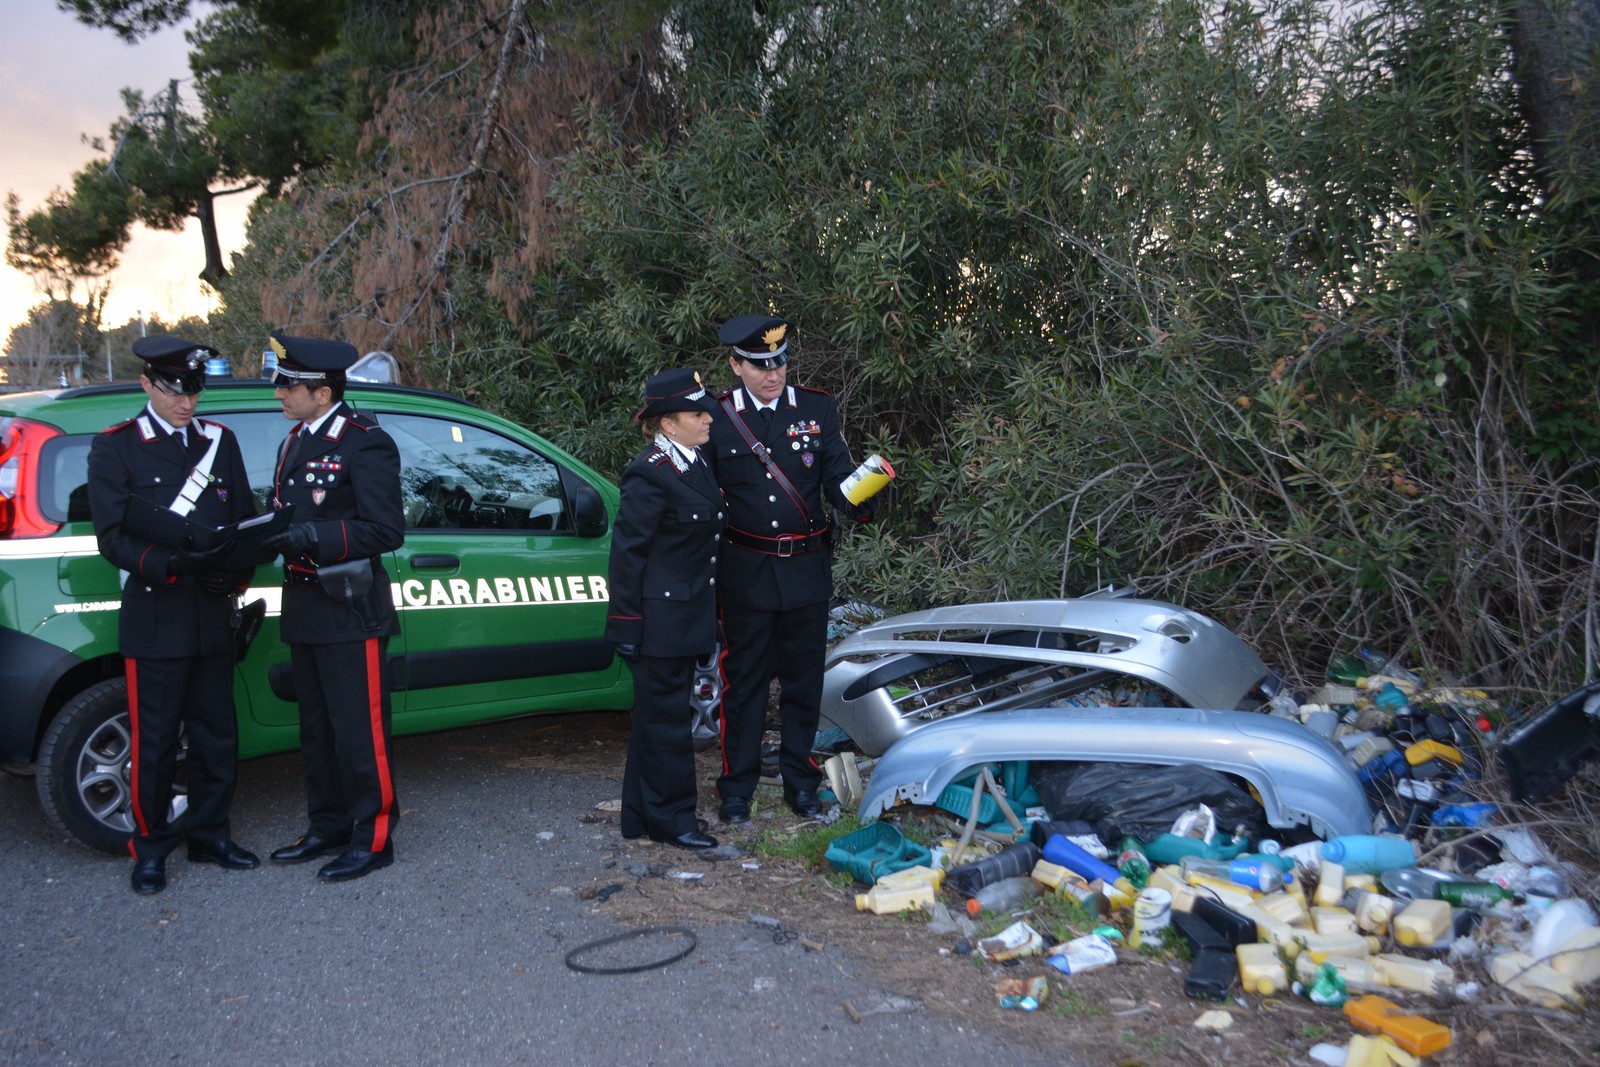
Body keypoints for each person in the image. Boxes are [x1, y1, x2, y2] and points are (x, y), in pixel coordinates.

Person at [86, 335, 260, 894]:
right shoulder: (116, 447)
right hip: (156, 614)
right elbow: (112, 538)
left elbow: (244, 520)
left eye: (195, 390)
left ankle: (211, 836)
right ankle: (151, 847)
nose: (188, 402)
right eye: (175, 391)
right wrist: (172, 564)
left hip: (211, 613)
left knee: (216, 735)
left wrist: (232, 571)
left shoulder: (219, 442)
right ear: (147, 385)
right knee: (156, 741)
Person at [707, 314, 871, 824]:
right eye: (759, 365)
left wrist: (864, 493)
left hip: (805, 571)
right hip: (746, 573)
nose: (773, 373)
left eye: (779, 362)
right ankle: (737, 788)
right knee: (745, 685)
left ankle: (801, 784)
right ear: (736, 365)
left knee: (803, 686)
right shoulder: (716, 416)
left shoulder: (817, 407)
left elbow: (838, 477)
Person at [260, 331, 405, 882]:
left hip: (349, 608)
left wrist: (310, 538)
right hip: (303, 604)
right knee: (317, 730)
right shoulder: (295, 440)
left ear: (322, 392)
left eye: (289, 385)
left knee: (359, 730)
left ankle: (372, 838)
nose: (279, 393)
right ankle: (327, 826)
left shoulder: (364, 440)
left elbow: (385, 528)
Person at [605, 369, 727, 850]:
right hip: (657, 621)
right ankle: (674, 820)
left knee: (656, 722)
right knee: (668, 726)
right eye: (697, 413)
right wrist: (628, 624)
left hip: (686, 615)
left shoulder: (694, 462)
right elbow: (627, 554)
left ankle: (639, 816)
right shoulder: (650, 471)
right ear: (668, 423)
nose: (707, 419)